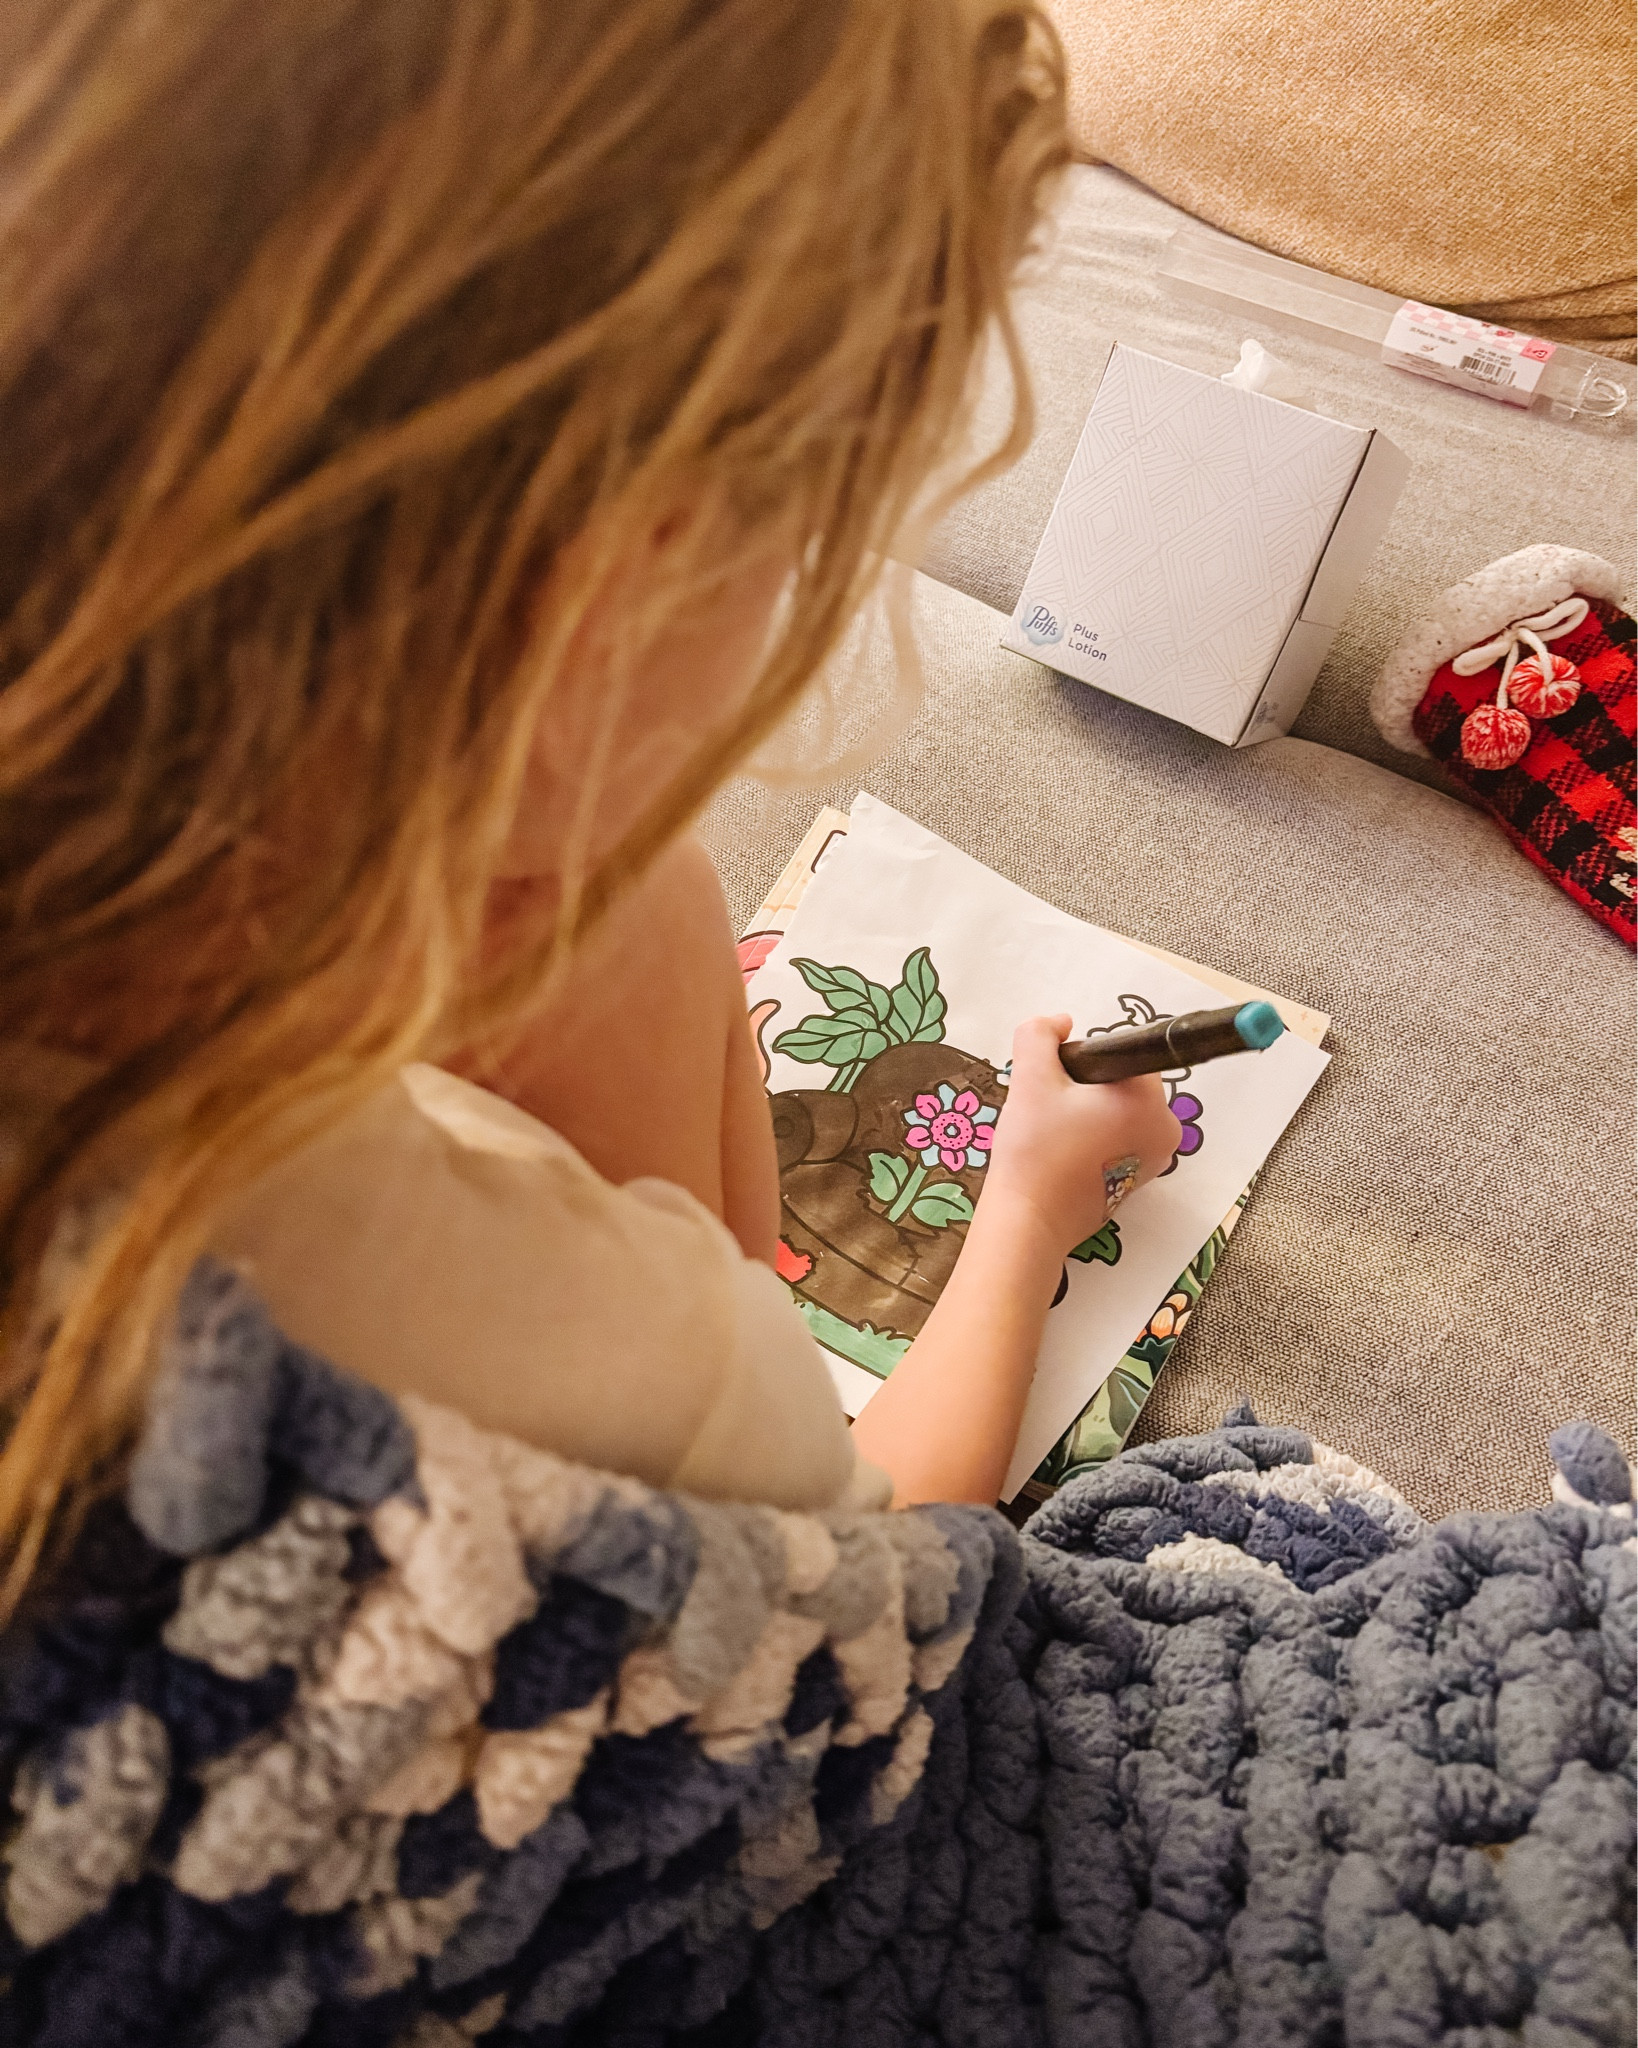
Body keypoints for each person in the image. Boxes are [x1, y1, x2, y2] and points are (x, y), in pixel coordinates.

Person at [0, 0, 1177, 1621]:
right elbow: (865, 1579)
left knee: (626, 902)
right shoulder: (457, 1299)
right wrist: (1030, 1212)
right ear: (605, 594)